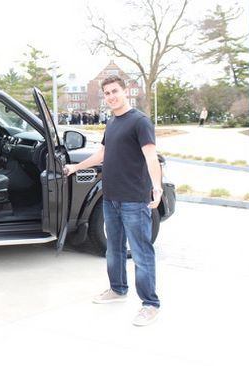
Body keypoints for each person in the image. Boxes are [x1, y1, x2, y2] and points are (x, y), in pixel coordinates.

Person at [64, 75, 163, 327]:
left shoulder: (140, 121)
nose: (111, 96)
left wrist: (157, 188)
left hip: (134, 200)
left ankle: (150, 304)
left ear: (125, 91)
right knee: (114, 249)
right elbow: (103, 154)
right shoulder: (112, 122)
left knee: (141, 253)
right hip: (111, 197)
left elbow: (151, 157)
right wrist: (75, 167)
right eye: (107, 93)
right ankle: (118, 289)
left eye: (115, 91)